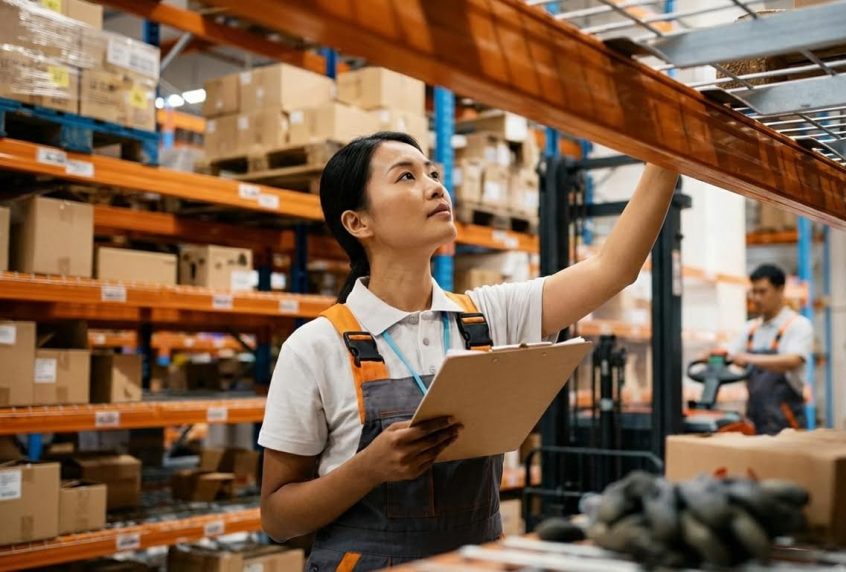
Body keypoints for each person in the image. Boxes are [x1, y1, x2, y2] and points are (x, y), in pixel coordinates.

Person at [257, 131, 680, 570]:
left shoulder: (486, 318)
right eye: (406, 176)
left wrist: (667, 156)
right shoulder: (314, 348)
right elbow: (278, 518)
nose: (436, 186)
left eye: (433, 173)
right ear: (358, 223)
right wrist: (367, 469)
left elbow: (613, 269)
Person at [726, 263, 813, 435]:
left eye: (762, 291)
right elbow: (731, 354)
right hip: (754, 418)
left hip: (787, 422)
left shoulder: (797, 325)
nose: (756, 298)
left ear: (780, 290)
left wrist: (749, 359)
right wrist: (714, 356)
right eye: (754, 291)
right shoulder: (750, 329)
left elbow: (792, 360)